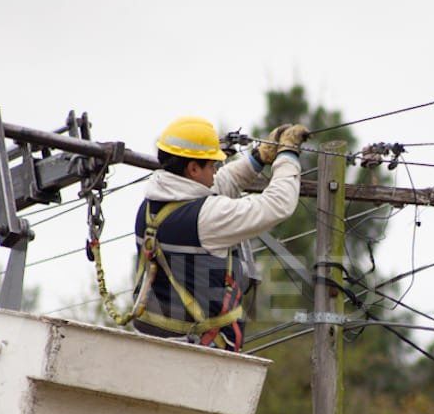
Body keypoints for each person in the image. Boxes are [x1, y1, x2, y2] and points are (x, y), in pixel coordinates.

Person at [131, 116, 308, 351]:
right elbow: (277, 204)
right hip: (202, 350)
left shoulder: (150, 205)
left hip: (153, 339)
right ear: (193, 168)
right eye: (211, 165)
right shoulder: (207, 217)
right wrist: (287, 157)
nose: (216, 171)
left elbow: (217, 185)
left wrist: (258, 158)